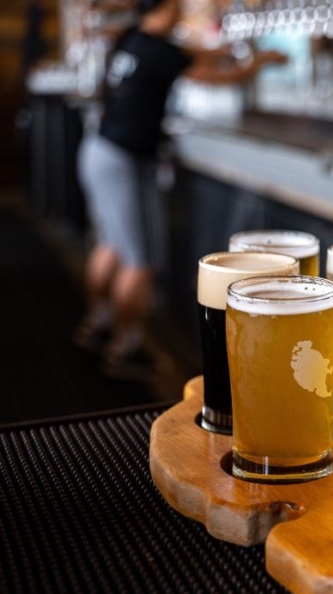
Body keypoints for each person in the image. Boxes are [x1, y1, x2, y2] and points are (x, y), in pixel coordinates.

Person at [75, 0, 286, 380]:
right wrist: (258, 64)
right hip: (126, 160)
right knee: (140, 260)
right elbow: (212, 76)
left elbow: (190, 53)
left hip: (97, 149)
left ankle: (98, 323)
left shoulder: (134, 36)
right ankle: (126, 347)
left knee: (110, 243)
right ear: (167, 8)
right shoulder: (162, 51)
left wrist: (222, 50)